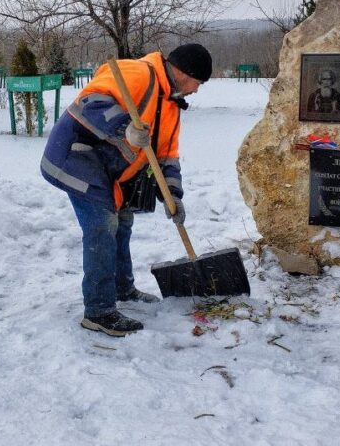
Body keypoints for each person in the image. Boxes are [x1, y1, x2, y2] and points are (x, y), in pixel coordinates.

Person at [41, 43, 212, 337]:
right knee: (102, 224)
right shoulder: (138, 73)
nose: (197, 90)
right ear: (185, 73)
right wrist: (125, 128)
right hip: (75, 156)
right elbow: (90, 102)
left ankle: (122, 287)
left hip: (107, 170)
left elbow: (166, 155)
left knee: (123, 220)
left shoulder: (171, 105)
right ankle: (99, 311)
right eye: (198, 82)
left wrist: (173, 196)